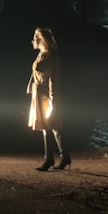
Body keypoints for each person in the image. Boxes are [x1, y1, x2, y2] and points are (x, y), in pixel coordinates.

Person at [27, 27, 71, 171]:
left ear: (41, 40)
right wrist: (30, 84)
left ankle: (50, 159)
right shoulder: (41, 54)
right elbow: (34, 71)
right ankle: (63, 157)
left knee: (50, 125)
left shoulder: (50, 57)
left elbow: (53, 79)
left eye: (35, 37)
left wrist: (53, 100)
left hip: (46, 94)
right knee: (51, 126)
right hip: (39, 93)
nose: (32, 40)